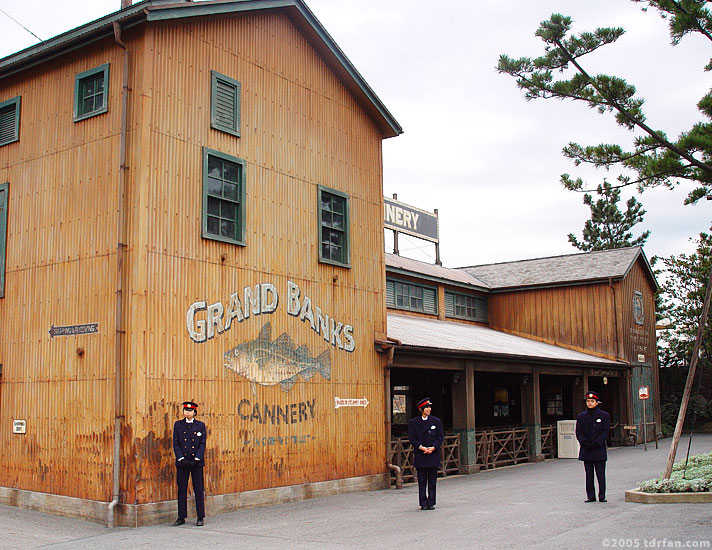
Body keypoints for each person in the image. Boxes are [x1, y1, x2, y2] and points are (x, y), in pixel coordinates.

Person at [172, 401, 207, 526]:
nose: (187, 412)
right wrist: (181, 458)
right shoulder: (178, 425)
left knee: (198, 488)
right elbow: (175, 442)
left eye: (190, 411)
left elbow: (202, 443)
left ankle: (200, 516)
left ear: (194, 412)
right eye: (185, 410)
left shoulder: (200, 425)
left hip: (196, 463)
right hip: (183, 462)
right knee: (182, 489)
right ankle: (181, 516)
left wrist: (197, 458)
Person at [408, 397, 444, 510]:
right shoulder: (413, 422)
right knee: (422, 480)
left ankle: (431, 502)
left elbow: (440, 437)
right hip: (421, 454)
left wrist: (433, 447)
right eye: (426, 407)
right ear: (421, 409)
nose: (429, 409)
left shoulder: (436, 421)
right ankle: (423, 502)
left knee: (432, 480)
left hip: (433, 453)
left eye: (429, 407)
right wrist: (421, 447)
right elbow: (412, 437)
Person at [575, 390, 610, 503]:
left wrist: (596, 442)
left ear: (596, 402)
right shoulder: (581, 416)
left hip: (598, 448)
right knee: (589, 475)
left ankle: (602, 496)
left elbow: (605, 431)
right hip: (586, 449)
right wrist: (584, 442)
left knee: (600, 474)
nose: (589, 403)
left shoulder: (604, 415)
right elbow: (578, 432)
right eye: (588, 401)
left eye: (592, 401)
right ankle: (591, 496)